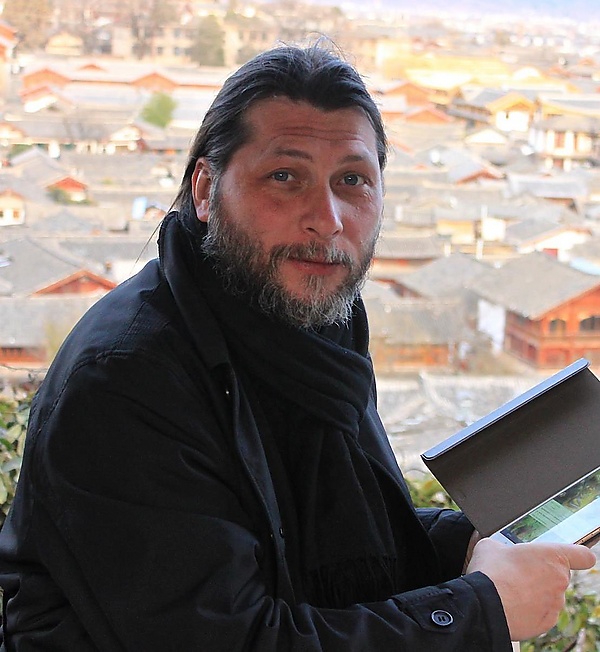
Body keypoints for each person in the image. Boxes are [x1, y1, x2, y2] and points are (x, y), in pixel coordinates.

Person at [0, 45, 594, 651]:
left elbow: (307, 537)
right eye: (285, 177)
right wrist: (479, 610)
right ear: (205, 190)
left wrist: (466, 547)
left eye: (352, 180)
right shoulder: (128, 380)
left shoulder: (316, 329)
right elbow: (226, 639)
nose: (326, 218)